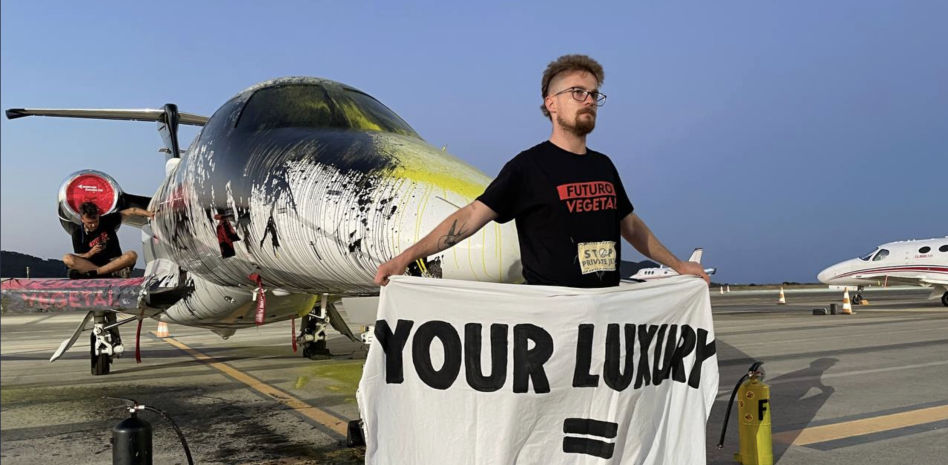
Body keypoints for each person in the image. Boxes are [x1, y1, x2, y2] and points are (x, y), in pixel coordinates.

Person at [375, 54, 708, 288]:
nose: (589, 100)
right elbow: (471, 216)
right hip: (551, 315)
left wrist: (678, 266)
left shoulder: (603, 166)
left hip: (606, 311)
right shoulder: (527, 167)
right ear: (551, 103)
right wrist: (405, 257)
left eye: (594, 94)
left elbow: (631, 226)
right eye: (578, 92)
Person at [63, 201, 154, 279]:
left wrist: (149, 213)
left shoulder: (108, 220)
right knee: (67, 258)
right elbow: (81, 256)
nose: (94, 225)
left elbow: (131, 211)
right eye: (90, 223)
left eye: (96, 221)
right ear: (82, 219)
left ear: (98, 216)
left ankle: (97, 273)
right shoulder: (77, 233)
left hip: (113, 263)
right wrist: (91, 252)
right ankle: (103, 273)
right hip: (91, 264)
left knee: (132, 255)